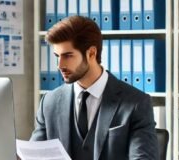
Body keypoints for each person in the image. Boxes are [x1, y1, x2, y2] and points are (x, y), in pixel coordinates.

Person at [30, 15, 159, 160]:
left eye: (68, 56)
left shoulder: (136, 103)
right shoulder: (49, 103)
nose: (59, 65)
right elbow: (34, 155)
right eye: (57, 56)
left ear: (91, 53)